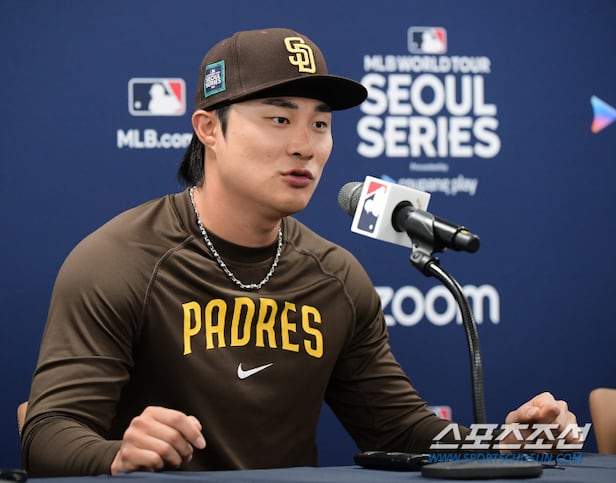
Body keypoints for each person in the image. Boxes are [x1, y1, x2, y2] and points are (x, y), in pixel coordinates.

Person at [20, 27, 580, 477]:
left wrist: (502, 442)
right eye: (280, 118)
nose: (304, 146)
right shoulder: (120, 260)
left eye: (320, 124)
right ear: (208, 129)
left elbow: (401, 431)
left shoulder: (336, 277)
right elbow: (48, 432)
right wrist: (116, 455)